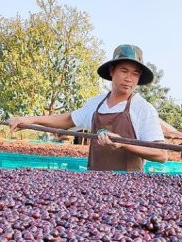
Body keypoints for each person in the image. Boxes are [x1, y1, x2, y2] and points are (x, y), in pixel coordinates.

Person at [9, 44, 168, 171]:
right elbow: (67, 120)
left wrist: (123, 144)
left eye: (135, 74)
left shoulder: (143, 109)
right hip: (95, 184)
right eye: (124, 71)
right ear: (112, 71)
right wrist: (29, 120)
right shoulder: (96, 104)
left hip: (129, 188)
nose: (129, 79)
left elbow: (161, 154)